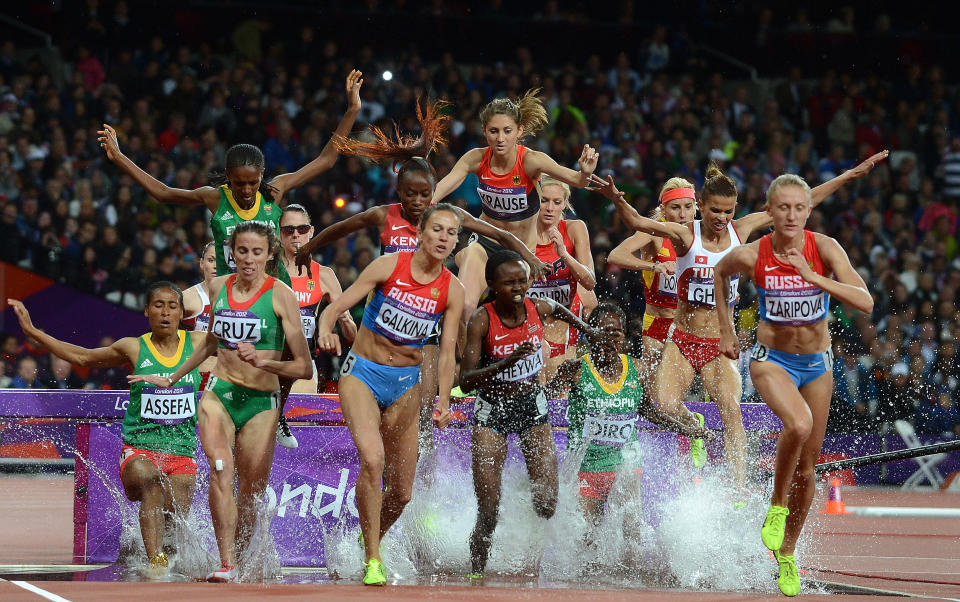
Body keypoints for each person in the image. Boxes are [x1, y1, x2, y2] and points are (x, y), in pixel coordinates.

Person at [590, 150, 887, 489]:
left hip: (719, 342)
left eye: (728, 211)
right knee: (667, 404)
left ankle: (739, 491)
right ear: (702, 206)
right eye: (715, 210)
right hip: (682, 338)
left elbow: (807, 200)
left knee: (732, 411)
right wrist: (616, 199)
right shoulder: (685, 234)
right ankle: (697, 427)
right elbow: (639, 224)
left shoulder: (740, 230)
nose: (721, 218)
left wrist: (848, 175)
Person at [99, 69, 363, 448]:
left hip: (273, 286)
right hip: (232, 290)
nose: (244, 189)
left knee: (295, 348)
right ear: (227, 177)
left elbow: (326, 159)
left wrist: (352, 109)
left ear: (261, 179)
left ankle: (280, 413)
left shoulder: (274, 193)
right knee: (225, 356)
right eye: (238, 182)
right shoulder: (213, 197)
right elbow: (162, 193)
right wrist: (121, 158)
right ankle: (213, 419)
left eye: (251, 183)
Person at [295, 98, 545, 448]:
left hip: (426, 318)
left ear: (433, 194)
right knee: (388, 405)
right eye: (410, 194)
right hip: (383, 319)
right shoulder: (385, 215)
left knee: (427, 400)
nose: (417, 201)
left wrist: (528, 257)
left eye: (425, 195)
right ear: (399, 193)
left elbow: (498, 233)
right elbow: (342, 227)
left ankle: (450, 391)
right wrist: (308, 247)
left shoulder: (443, 219)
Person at [714, 174, 874, 596]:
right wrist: (726, 331)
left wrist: (812, 275)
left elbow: (866, 301)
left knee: (809, 469)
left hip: (817, 366)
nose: (790, 214)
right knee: (798, 426)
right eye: (781, 207)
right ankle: (775, 506)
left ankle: (787, 553)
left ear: (808, 211)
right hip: (771, 361)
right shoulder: (753, 254)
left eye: (798, 208)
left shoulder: (824, 249)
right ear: (769, 212)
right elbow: (718, 272)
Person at [129, 222, 313, 582]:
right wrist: (173, 376)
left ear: (270, 254)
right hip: (220, 394)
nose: (248, 259)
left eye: (256, 252)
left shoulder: (280, 295)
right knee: (219, 471)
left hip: (262, 400)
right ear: (232, 252)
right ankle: (226, 562)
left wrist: (265, 361)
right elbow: (212, 344)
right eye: (241, 251)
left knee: (250, 491)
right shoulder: (218, 287)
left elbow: (304, 366)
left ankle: (242, 559)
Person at [315, 204, 465, 586]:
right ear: (421, 233)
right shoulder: (388, 267)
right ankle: (372, 560)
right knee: (373, 458)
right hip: (362, 374)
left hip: (406, 385)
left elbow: (447, 351)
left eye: (451, 232)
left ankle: (365, 543)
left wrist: (444, 398)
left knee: (401, 493)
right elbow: (335, 307)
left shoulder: (452, 289)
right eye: (437, 229)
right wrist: (326, 329)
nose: (444, 237)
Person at [8, 283, 204, 575]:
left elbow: (242, 347)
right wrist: (35, 333)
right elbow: (84, 357)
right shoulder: (134, 347)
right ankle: (157, 566)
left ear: (181, 312)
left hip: (182, 452)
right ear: (147, 310)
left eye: (172, 306)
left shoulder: (200, 343)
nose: (165, 312)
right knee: (151, 483)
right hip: (140, 451)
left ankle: (151, 554)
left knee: (174, 525)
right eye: (158, 305)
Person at [459, 250, 596, 579]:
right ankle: (476, 574)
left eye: (523, 281)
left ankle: (527, 537)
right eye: (510, 283)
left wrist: (587, 332)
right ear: (493, 285)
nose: (519, 288)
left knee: (547, 503)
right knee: (489, 511)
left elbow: (561, 310)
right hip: (492, 411)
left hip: (531, 406)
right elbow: (464, 382)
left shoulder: (537, 307)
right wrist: (507, 362)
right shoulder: (482, 319)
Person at [430, 89, 599, 325]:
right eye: (494, 131)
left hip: (522, 255)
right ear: (484, 132)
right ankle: (456, 360)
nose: (500, 138)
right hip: (486, 245)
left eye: (507, 131)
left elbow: (577, 181)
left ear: (519, 132)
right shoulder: (475, 159)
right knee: (465, 307)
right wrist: (422, 205)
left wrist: (585, 172)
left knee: (514, 321)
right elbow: (439, 190)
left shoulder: (531, 161)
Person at [548, 302, 711, 529]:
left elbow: (648, 411)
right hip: (588, 466)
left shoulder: (637, 369)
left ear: (624, 337)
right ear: (590, 335)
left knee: (631, 536)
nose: (607, 340)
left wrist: (687, 430)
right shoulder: (576, 370)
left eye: (614, 333)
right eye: (601, 332)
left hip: (626, 463)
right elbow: (544, 399)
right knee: (587, 542)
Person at [607, 178, 696, 392]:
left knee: (685, 391)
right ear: (663, 209)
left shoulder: (702, 237)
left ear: (696, 207)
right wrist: (653, 266)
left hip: (690, 324)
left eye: (688, 207)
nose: (683, 215)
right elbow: (615, 256)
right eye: (676, 208)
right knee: (655, 392)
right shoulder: (653, 233)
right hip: (657, 323)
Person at [278, 203, 357, 394]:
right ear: (279, 234)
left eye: (302, 229)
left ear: (311, 231)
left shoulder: (324, 275)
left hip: (303, 366)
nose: (296, 235)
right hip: (268, 363)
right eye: (289, 230)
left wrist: (343, 319)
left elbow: (352, 336)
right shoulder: (267, 272)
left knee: (296, 415)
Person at [529, 175, 597, 380]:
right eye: (544, 200)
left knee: (559, 390)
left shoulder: (575, 228)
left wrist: (564, 255)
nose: (550, 208)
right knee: (536, 387)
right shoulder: (522, 231)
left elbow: (589, 281)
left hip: (564, 319)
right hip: (532, 318)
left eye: (556, 202)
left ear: (565, 203)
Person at [182, 242, 217, 389]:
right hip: (196, 375)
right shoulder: (186, 298)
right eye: (211, 260)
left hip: (228, 376)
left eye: (220, 260)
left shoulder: (242, 298)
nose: (216, 266)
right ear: (202, 264)